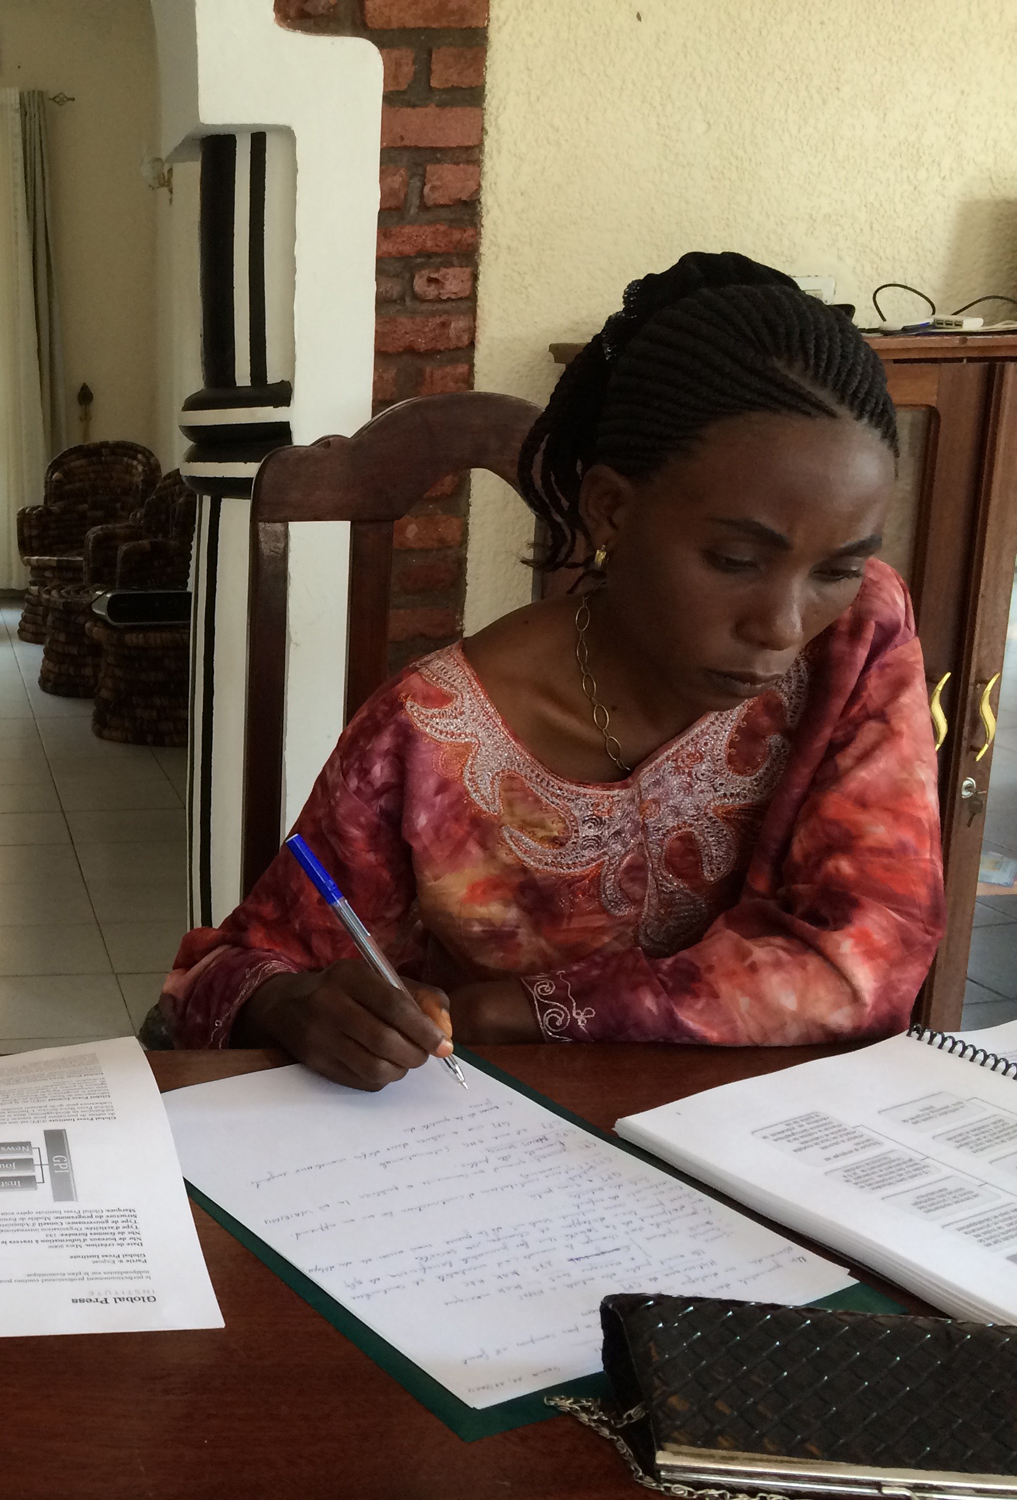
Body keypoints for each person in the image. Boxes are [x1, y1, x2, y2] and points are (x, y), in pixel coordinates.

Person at [162, 252, 946, 1090]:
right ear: (611, 507)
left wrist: (516, 1008)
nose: (785, 627)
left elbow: (869, 958)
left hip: (764, 1153)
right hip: (496, 1160)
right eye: (734, 558)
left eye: (837, 568)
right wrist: (298, 1006)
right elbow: (229, 974)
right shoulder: (431, 737)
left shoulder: (859, 636)